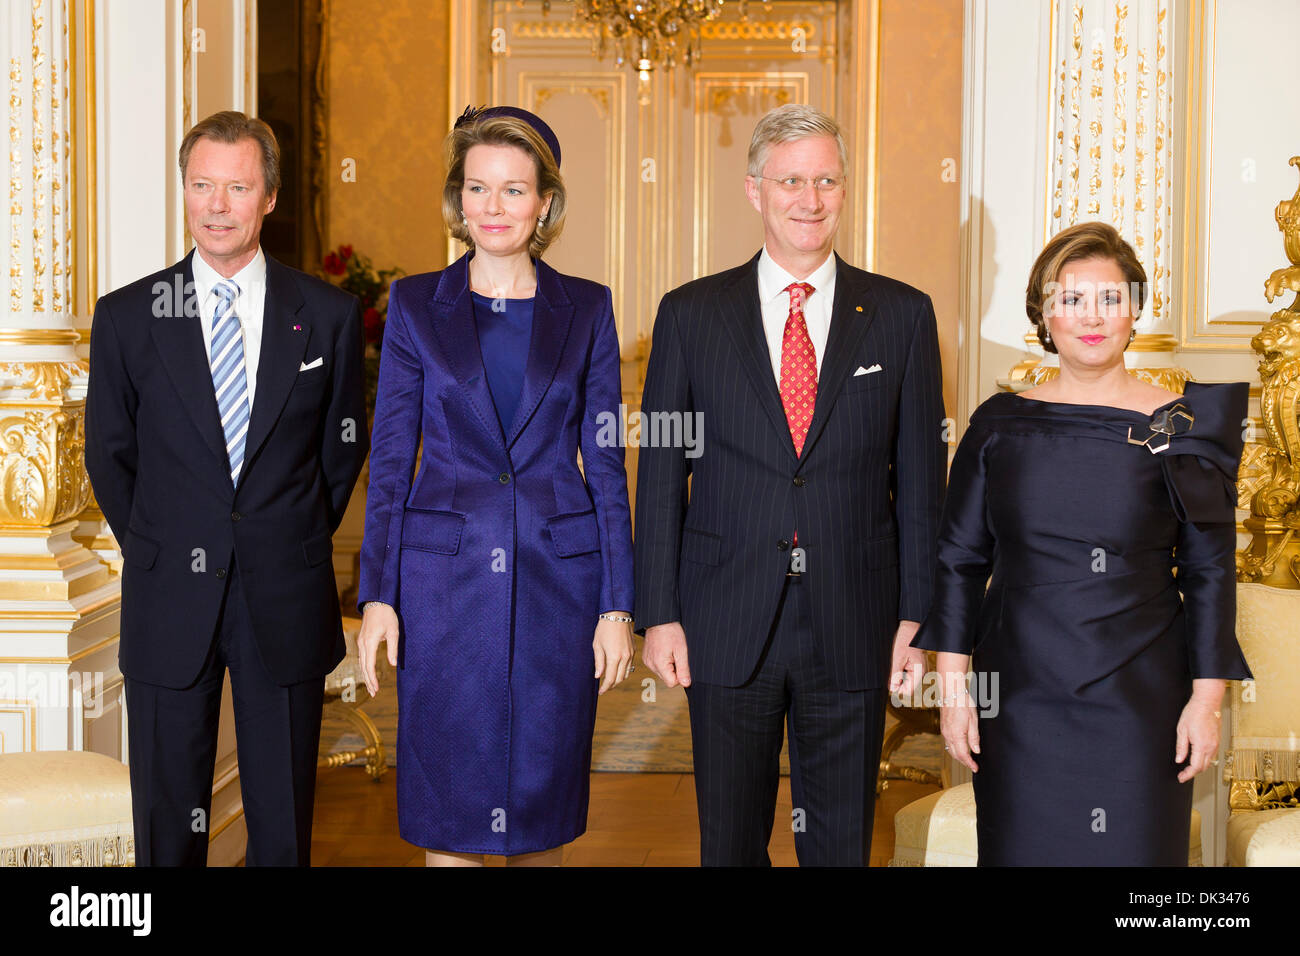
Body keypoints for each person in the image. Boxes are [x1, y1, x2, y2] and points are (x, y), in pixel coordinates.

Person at [635, 104, 947, 866]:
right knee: (731, 842)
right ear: (755, 190)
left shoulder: (903, 315)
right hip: (724, 611)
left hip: (856, 616)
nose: (810, 199)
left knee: (840, 843)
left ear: (844, 189)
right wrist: (660, 614)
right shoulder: (690, 314)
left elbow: (920, 484)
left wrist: (918, 617)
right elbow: (660, 474)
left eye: (826, 180)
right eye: (791, 181)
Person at [911, 220, 1254, 865]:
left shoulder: (1183, 428)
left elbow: (1209, 572)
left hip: (1139, 704)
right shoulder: (998, 424)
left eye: (1109, 297)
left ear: (1135, 308)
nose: (1091, 316)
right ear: (1044, 313)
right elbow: (959, 560)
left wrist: (1207, 702)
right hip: (1018, 702)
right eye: (1070, 300)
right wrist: (954, 692)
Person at [84, 111, 369, 866]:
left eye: (236, 187)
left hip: (285, 590)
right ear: (183, 190)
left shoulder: (330, 317)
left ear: (268, 197)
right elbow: (110, 457)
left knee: (282, 831)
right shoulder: (128, 316)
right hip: (168, 594)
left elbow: (341, 452)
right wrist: (161, 546)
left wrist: (291, 536)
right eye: (201, 185)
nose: (216, 204)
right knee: (168, 831)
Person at [355, 106, 635, 867]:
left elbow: (605, 465)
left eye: (514, 190)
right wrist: (377, 596)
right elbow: (390, 463)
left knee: (541, 813)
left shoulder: (588, 307)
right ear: (458, 199)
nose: (494, 207)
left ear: (545, 201)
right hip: (440, 590)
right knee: (449, 813)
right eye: (478, 188)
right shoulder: (415, 305)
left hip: (558, 585)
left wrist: (617, 604)